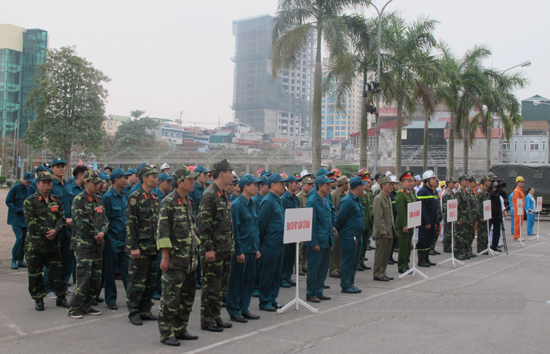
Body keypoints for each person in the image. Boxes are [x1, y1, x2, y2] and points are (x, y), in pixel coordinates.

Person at [156, 166, 200, 346]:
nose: (193, 182)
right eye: (190, 179)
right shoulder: (168, 202)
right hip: (175, 260)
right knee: (170, 298)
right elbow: (162, 232)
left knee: (187, 297)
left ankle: (181, 328)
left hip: (189, 258)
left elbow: (190, 228)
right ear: (180, 182)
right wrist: (165, 256)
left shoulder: (188, 202)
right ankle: (166, 333)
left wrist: (197, 244)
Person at [198, 159, 235, 332]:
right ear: (222, 174)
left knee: (221, 286)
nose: (232, 175)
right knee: (211, 286)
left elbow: (228, 223)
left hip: (224, 248)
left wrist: (231, 246)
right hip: (214, 250)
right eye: (230, 172)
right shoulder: (209, 195)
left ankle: (216, 316)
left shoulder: (223, 194)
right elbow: (205, 226)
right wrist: (208, 249)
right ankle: (207, 320)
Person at [23, 171, 68, 311]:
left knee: (57, 272)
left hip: (53, 245)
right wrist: (46, 232)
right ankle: (38, 299)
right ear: (38, 184)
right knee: (35, 274)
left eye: (49, 183)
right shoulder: (30, 201)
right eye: (44, 183)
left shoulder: (56, 201)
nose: (47, 186)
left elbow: (62, 218)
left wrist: (56, 230)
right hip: (36, 246)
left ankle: (61, 297)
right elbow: (31, 222)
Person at [68, 171, 108, 319]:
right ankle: (74, 307)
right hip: (84, 245)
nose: (98, 185)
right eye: (95, 183)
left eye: (99, 183)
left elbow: (105, 219)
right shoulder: (78, 200)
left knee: (96, 278)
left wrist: (102, 232)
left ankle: (87, 304)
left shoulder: (99, 199)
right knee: (84, 278)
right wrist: (95, 234)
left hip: (98, 245)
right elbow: (80, 222)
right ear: (86, 183)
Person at [126, 165, 160, 326]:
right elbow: (131, 224)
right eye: (153, 176)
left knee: (150, 281)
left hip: (152, 246)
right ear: (144, 178)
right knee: (137, 280)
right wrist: (134, 246)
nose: (156, 179)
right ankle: (134, 311)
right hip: (140, 247)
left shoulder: (155, 198)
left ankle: (146, 310)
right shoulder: (134, 197)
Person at [225, 174, 262, 323]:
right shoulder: (236, 205)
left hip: (251, 249)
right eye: (254, 185)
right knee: (236, 281)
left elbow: (255, 227)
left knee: (248, 280)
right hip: (242, 250)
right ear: (245, 187)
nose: (257, 188)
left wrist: (257, 246)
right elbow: (235, 231)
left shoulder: (253, 203)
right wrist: (238, 250)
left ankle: (244, 308)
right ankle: (234, 310)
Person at [257, 173, 288, 311]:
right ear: (273, 185)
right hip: (270, 244)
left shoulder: (278, 200)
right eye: (281, 183)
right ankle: (264, 300)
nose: (283, 186)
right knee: (267, 273)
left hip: (279, 243)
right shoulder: (268, 201)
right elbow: (261, 225)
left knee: (276, 273)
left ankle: (272, 298)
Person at [103, 168, 132, 310]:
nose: (126, 180)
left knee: (127, 270)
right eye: (123, 178)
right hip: (113, 240)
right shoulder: (108, 197)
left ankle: (132, 297)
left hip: (125, 239)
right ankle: (110, 299)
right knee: (110, 271)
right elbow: (105, 220)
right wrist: (108, 240)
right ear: (116, 180)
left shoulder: (125, 195)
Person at [305, 175, 334, 303]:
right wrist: (313, 242)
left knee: (323, 268)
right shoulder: (312, 201)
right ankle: (311, 293)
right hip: (317, 240)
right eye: (327, 185)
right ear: (320, 186)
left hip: (326, 239)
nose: (330, 187)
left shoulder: (326, 200)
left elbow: (328, 220)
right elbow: (311, 223)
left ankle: (319, 290)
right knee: (314, 268)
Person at [335, 176, 365, 293]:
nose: (364, 187)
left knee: (354, 260)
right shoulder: (347, 201)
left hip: (357, 235)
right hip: (349, 236)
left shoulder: (357, 199)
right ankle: (346, 284)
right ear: (359, 186)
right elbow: (340, 218)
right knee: (348, 260)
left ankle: (350, 282)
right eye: (362, 185)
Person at [50, 157, 74, 293]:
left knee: (67, 258)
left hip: (68, 229)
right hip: (55, 228)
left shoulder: (68, 186)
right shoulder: (50, 185)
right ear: (52, 168)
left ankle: (64, 285)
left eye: (63, 166)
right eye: (58, 166)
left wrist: (71, 219)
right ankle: (49, 288)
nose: (61, 168)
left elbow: (73, 206)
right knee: (53, 260)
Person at [6, 172, 34, 269]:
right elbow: (8, 201)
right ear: (23, 179)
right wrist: (18, 209)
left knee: (25, 241)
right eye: (27, 181)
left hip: (26, 220)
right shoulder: (15, 189)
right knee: (19, 238)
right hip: (16, 219)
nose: (29, 184)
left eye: (30, 182)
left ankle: (21, 260)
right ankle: (14, 259)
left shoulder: (31, 189)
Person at [189, 165, 211, 290]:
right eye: (204, 174)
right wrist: (193, 226)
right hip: (196, 226)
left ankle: (201, 278)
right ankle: (196, 279)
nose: (207, 176)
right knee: (196, 254)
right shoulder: (193, 189)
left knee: (203, 253)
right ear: (197, 175)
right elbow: (191, 209)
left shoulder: (204, 189)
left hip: (203, 224)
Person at [372, 176, 397, 281]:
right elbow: (378, 217)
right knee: (380, 254)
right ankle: (378, 273)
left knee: (386, 254)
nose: (391, 186)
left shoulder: (388, 197)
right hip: (382, 232)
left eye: (392, 184)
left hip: (389, 230)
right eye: (389, 184)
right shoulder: (378, 198)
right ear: (383, 185)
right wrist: (383, 231)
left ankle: (383, 271)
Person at [280, 174, 302, 287]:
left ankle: (288, 276)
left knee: (292, 255)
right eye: (296, 183)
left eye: (299, 183)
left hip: (294, 232)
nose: (298, 185)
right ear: (290, 184)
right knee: (285, 255)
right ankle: (282, 277)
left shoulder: (296, 198)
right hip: (286, 232)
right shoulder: (284, 199)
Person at [416, 171, 439, 267]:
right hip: (425, 222)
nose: (435, 181)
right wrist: (427, 221)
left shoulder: (431, 191)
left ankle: (426, 258)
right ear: (427, 181)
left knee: (429, 240)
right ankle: (421, 260)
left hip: (432, 221)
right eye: (433, 179)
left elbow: (434, 207)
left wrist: (436, 220)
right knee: (423, 240)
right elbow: (422, 208)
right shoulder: (423, 191)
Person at [395, 171, 416, 274]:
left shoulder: (410, 193)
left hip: (411, 223)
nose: (411, 183)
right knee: (403, 247)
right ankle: (402, 265)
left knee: (408, 246)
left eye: (412, 181)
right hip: (404, 225)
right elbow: (401, 211)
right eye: (408, 181)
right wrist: (404, 225)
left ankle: (406, 264)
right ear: (402, 183)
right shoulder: (401, 194)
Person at [329, 176, 349, 278]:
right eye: (347, 184)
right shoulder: (333, 195)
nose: (348, 186)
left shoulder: (344, 195)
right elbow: (332, 211)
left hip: (342, 226)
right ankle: (333, 269)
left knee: (340, 249)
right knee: (335, 249)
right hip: (335, 226)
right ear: (344, 184)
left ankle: (339, 268)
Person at [296, 175, 314, 275]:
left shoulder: (311, 196)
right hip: (301, 225)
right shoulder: (299, 197)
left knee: (306, 247)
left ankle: (304, 265)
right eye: (308, 184)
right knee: (300, 247)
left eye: (312, 184)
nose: (310, 186)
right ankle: (298, 266)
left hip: (309, 225)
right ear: (303, 185)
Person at [357, 171, 373, 270]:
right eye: (366, 182)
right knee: (360, 244)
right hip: (361, 223)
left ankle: (362, 260)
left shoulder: (366, 194)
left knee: (364, 245)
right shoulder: (359, 195)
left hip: (367, 223)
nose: (369, 184)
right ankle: (358, 262)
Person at [454, 175, 472, 260]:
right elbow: (456, 206)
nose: (467, 182)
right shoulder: (458, 192)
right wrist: (458, 218)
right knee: (459, 236)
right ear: (461, 182)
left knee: (465, 236)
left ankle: (464, 252)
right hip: (461, 218)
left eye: (468, 180)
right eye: (466, 180)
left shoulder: (466, 192)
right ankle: (457, 253)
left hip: (466, 218)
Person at [476, 177, 492, 253]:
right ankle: (481, 248)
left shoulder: (487, 193)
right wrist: (480, 217)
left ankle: (485, 247)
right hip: (482, 217)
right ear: (484, 182)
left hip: (486, 216)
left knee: (486, 232)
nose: (490, 182)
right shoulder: (480, 193)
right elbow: (478, 206)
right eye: (488, 181)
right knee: (481, 233)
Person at [441, 178, 456, 253]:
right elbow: (445, 206)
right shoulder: (446, 194)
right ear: (449, 184)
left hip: (452, 214)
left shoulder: (452, 193)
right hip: (448, 215)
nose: (454, 184)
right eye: (452, 183)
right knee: (447, 232)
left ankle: (449, 245)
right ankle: (446, 247)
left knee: (451, 231)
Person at [489, 180, 504, 252]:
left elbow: (504, 195)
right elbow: (490, 195)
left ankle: (494, 245)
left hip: (498, 213)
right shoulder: (490, 190)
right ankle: (488, 244)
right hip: (492, 213)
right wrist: (494, 188)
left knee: (497, 230)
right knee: (489, 229)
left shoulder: (498, 193)